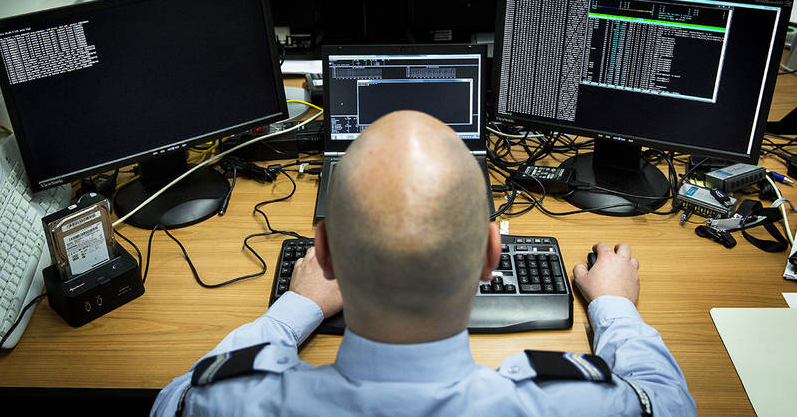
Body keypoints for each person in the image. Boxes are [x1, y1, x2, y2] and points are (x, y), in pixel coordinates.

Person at [152, 111, 696, 416]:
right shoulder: (572, 405)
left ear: (325, 253)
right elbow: (670, 403)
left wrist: (294, 307)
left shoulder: (226, 402)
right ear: (491, 253)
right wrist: (616, 307)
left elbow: (172, 400)